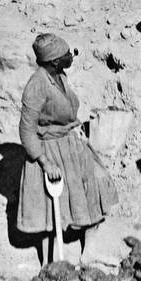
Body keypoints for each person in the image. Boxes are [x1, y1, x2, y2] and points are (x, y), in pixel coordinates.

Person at [17, 33, 118, 259]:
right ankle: (50, 261)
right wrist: (45, 163)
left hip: (70, 142)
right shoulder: (36, 86)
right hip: (48, 149)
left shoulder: (60, 76)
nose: (71, 56)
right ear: (54, 61)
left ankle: (89, 250)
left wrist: (76, 129)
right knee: (51, 210)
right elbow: (26, 130)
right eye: (67, 54)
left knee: (96, 183)